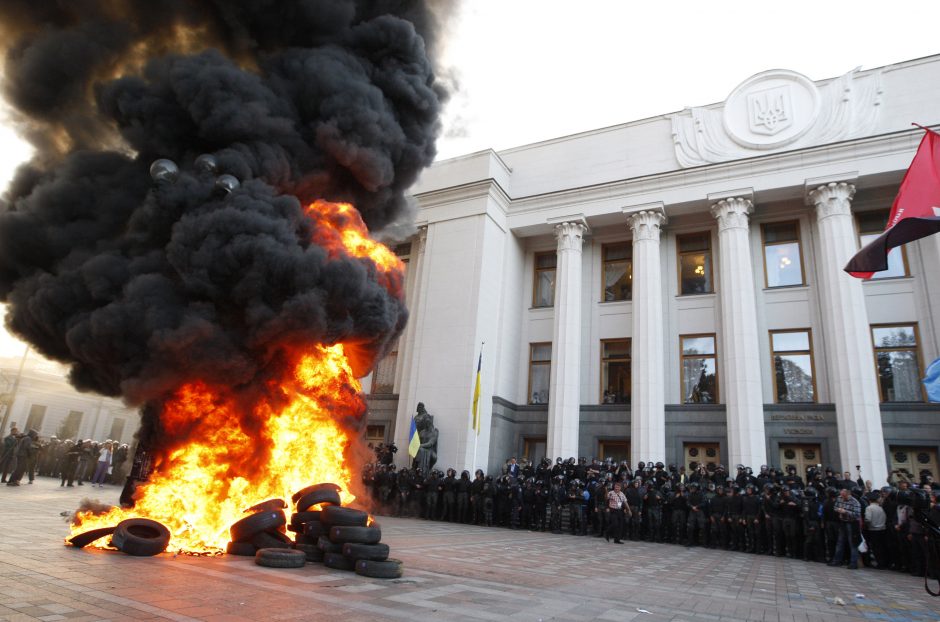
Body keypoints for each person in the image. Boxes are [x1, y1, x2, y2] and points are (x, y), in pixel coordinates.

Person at [829, 488, 862, 569]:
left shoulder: (855, 502)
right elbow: (835, 507)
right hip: (843, 522)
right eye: (841, 495)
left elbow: (857, 514)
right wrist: (838, 510)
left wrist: (845, 512)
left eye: (844, 496)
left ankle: (853, 563)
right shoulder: (839, 498)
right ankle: (837, 561)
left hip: (852, 523)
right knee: (840, 542)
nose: (842, 498)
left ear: (848, 494)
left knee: (852, 543)